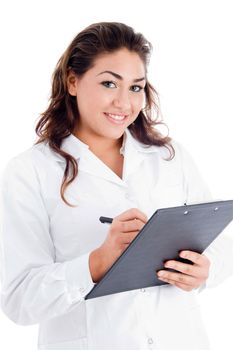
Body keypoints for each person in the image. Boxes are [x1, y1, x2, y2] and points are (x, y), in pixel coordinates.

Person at [0, 21, 233, 350]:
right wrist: (96, 263)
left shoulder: (169, 156)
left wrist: (206, 269)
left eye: (136, 87)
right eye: (109, 83)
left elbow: (222, 244)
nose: (124, 103)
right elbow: (20, 300)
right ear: (72, 81)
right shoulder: (29, 171)